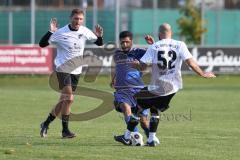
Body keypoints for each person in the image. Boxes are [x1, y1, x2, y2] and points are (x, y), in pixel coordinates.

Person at [116, 23, 216, 147]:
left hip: (158, 86)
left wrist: (136, 65)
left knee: (137, 105)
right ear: (171, 33)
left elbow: (143, 65)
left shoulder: (155, 46)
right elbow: (190, 63)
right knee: (154, 109)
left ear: (159, 34)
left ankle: (126, 137)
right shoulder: (180, 44)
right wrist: (202, 73)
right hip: (173, 87)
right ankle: (151, 139)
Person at [39, 8, 103, 138]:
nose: (78, 21)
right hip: (63, 69)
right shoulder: (61, 32)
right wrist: (50, 31)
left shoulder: (84, 31)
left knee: (65, 100)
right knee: (69, 98)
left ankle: (46, 123)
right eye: (76, 18)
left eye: (80, 19)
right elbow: (42, 44)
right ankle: (65, 131)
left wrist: (99, 36)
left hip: (76, 70)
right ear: (70, 18)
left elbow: (99, 43)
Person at [111, 31, 159, 144]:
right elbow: (118, 67)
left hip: (137, 90)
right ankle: (136, 136)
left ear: (131, 41)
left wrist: (153, 44)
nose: (125, 44)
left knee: (143, 121)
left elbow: (155, 55)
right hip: (122, 90)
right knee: (125, 108)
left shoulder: (139, 52)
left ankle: (151, 139)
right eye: (122, 42)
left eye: (127, 42)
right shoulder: (117, 54)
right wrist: (113, 78)